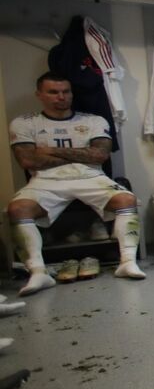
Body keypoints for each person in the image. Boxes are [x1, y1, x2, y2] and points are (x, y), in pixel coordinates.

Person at [8, 72, 145, 294]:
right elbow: (27, 159)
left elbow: (100, 155)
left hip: (90, 177)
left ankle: (127, 262)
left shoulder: (93, 120)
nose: (61, 97)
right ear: (40, 94)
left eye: (66, 92)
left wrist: (50, 150)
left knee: (126, 199)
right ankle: (38, 272)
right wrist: (82, 152)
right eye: (53, 92)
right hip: (46, 179)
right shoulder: (25, 122)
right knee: (17, 209)